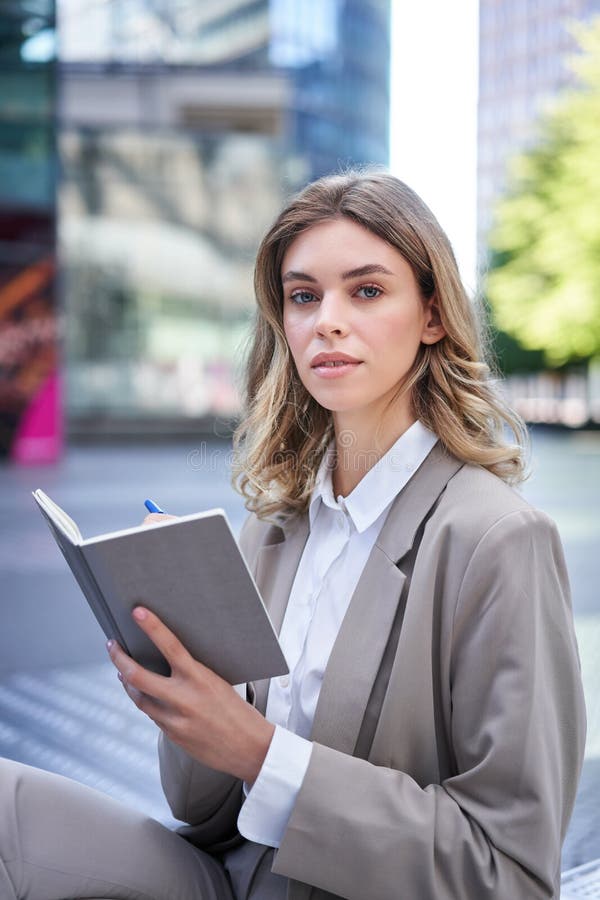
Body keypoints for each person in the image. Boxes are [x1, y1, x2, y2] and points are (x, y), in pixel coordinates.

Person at [0, 170, 586, 900]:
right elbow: (199, 808)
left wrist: (261, 753)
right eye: (303, 295)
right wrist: (189, 694)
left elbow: (512, 875)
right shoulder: (277, 525)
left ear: (433, 314)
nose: (326, 321)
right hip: (229, 878)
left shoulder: (497, 540)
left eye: (366, 291)